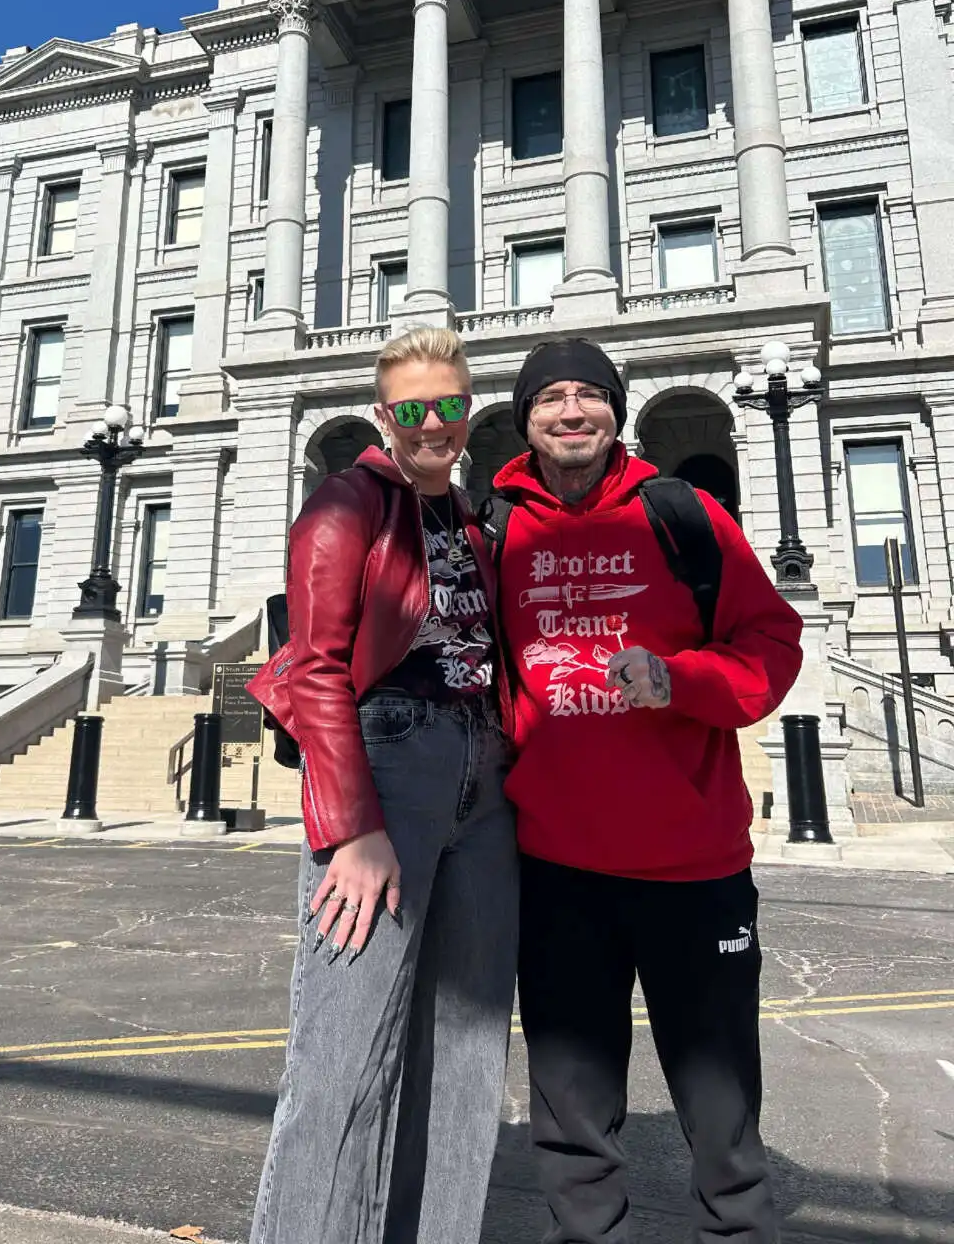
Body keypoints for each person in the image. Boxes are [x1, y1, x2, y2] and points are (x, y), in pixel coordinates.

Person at [490, 337, 803, 1244]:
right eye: (551, 398)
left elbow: (770, 644)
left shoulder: (684, 514)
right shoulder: (497, 527)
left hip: (691, 862)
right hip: (554, 863)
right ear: (527, 419)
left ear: (616, 412)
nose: (571, 411)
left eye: (590, 394)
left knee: (720, 1104)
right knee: (572, 1107)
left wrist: (680, 680)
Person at [245, 326, 517, 1244]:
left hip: (485, 778)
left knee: (469, 1047)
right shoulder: (344, 502)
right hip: (390, 763)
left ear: (469, 410)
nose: (433, 424)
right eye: (413, 409)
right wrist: (351, 827)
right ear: (383, 417)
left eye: (448, 404)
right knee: (345, 1049)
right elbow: (317, 666)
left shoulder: (476, 521)